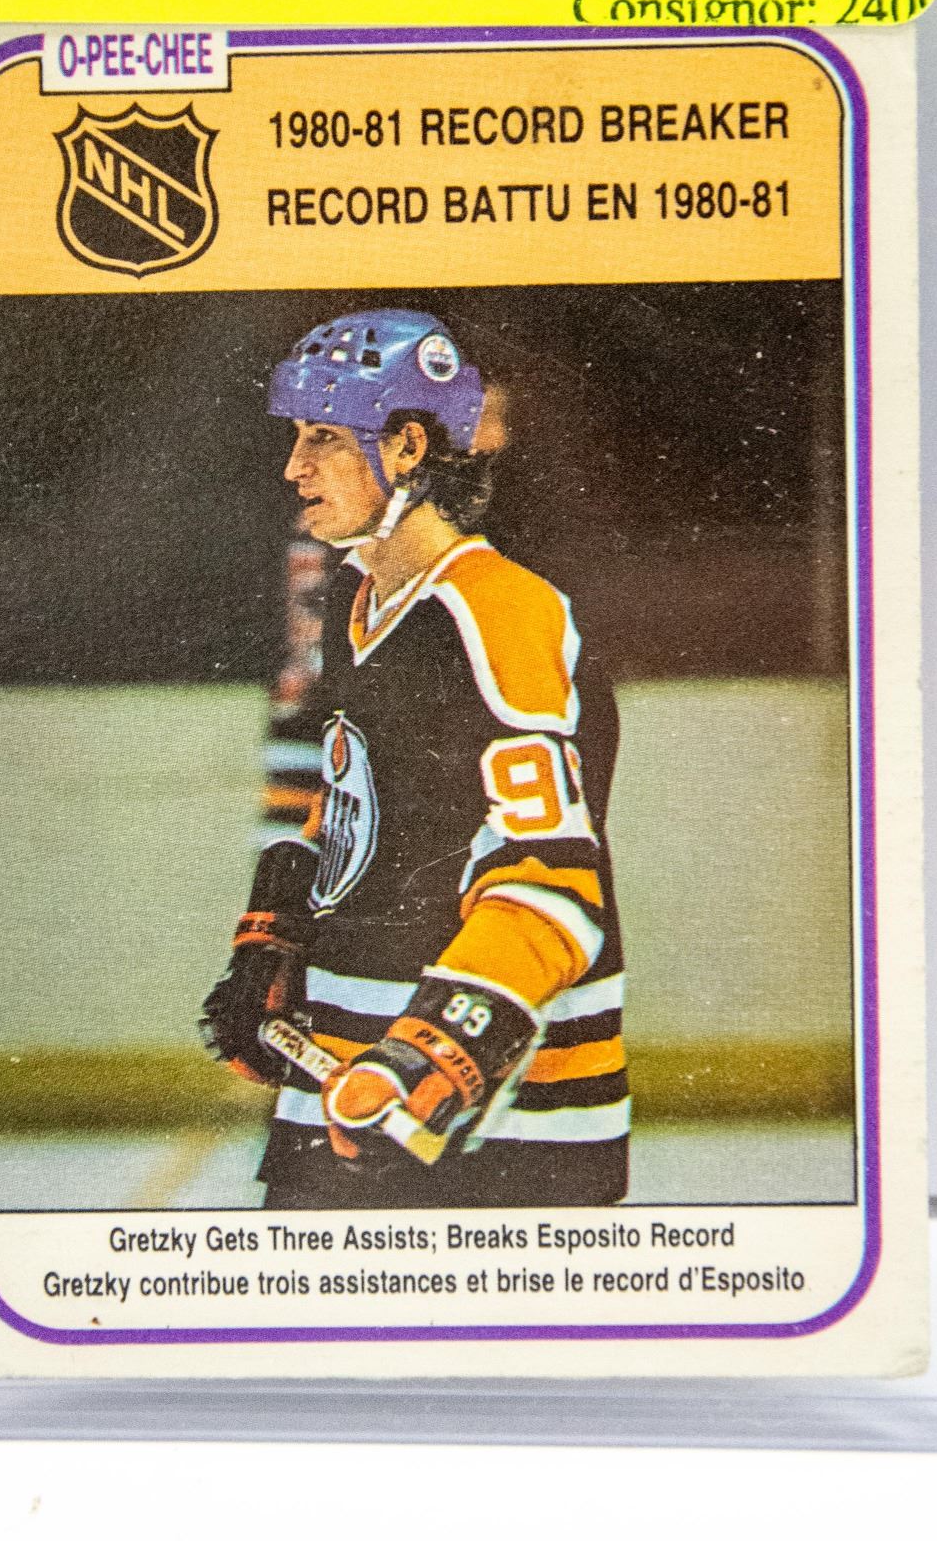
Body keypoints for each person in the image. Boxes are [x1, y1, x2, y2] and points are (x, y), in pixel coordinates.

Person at [200, 310, 628, 1208]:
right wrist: (274, 938)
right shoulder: (357, 599)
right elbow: (354, 804)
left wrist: (436, 1055)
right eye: (296, 436)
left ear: (405, 447)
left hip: (491, 1114)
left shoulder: (499, 609)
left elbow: (552, 880)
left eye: (323, 437)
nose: (294, 468)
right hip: (344, 1068)